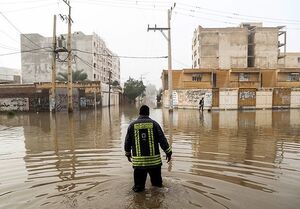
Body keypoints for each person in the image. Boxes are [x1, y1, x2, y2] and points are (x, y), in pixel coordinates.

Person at [124, 105, 172, 192]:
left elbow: (127, 142)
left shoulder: (132, 125)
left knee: (138, 189)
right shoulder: (155, 124)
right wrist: (168, 153)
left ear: (139, 113)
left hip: (139, 163)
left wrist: (128, 154)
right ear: (148, 113)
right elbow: (162, 140)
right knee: (157, 186)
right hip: (154, 162)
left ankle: (138, 203)